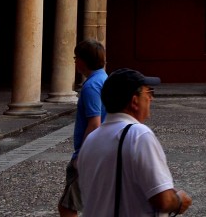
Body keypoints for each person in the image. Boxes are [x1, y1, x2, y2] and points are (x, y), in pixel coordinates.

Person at [78, 69, 191, 217]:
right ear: (135, 101)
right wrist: (179, 200)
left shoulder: (90, 140)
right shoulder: (139, 135)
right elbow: (163, 201)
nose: (151, 98)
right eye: (148, 92)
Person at [59, 39, 107, 217]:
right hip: (102, 150)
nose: (74, 61)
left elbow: (94, 123)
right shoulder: (103, 79)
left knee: (68, 207)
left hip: (90, 153)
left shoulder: (92, 86)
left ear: (83, 60)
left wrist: (82, 156)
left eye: (76, 57)